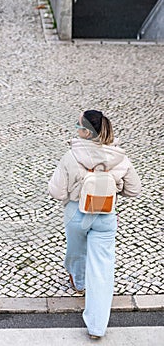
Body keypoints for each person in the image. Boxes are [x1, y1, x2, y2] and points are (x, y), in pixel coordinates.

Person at [48, 110, 141, 339]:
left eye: (77, 125)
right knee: (102, 268)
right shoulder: (120, 157)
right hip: (106, 217)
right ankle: (97, 327)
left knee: (76, 252)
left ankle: (78, 282)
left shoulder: (71, 155)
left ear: (85, 132)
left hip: (76, 214)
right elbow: (134, 190)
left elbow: (57, 191)